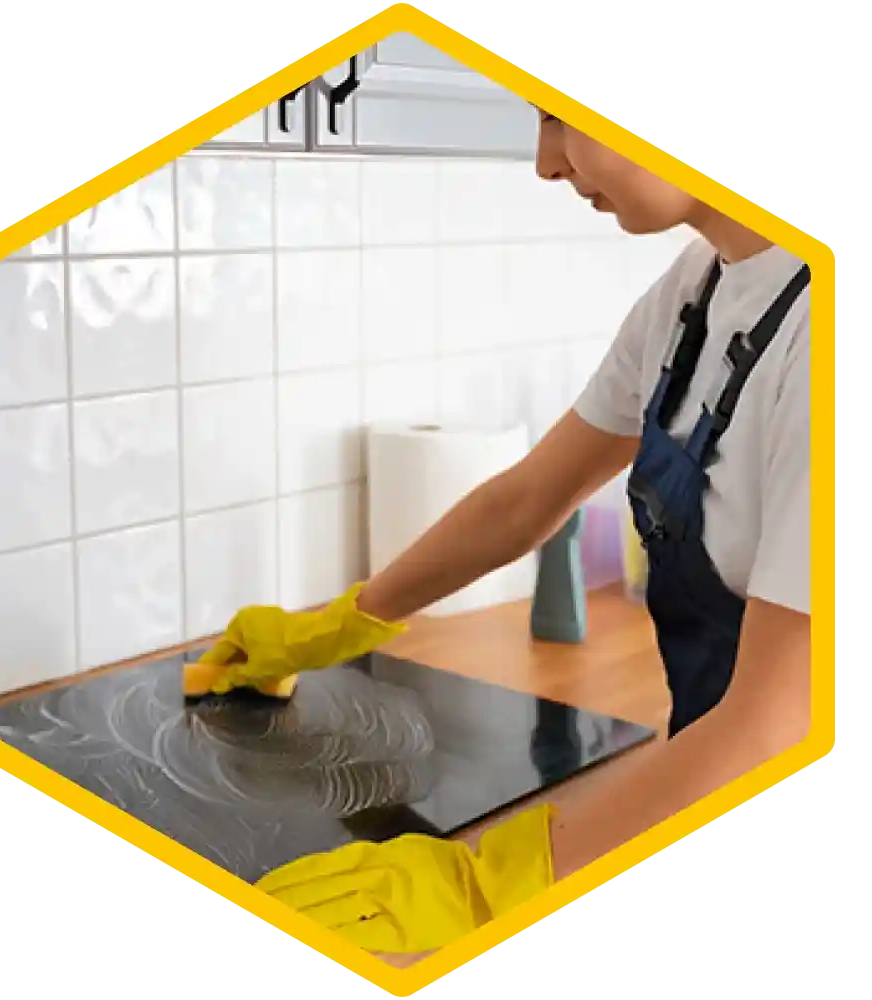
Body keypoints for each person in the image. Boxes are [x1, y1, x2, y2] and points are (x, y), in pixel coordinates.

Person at [186, 110, 812, 956]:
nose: (546, 162)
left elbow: (782, 725)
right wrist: (337, 625)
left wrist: (493, 880)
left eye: (564, 120)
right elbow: (524, 501)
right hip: (705, 769)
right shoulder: (692, 291)